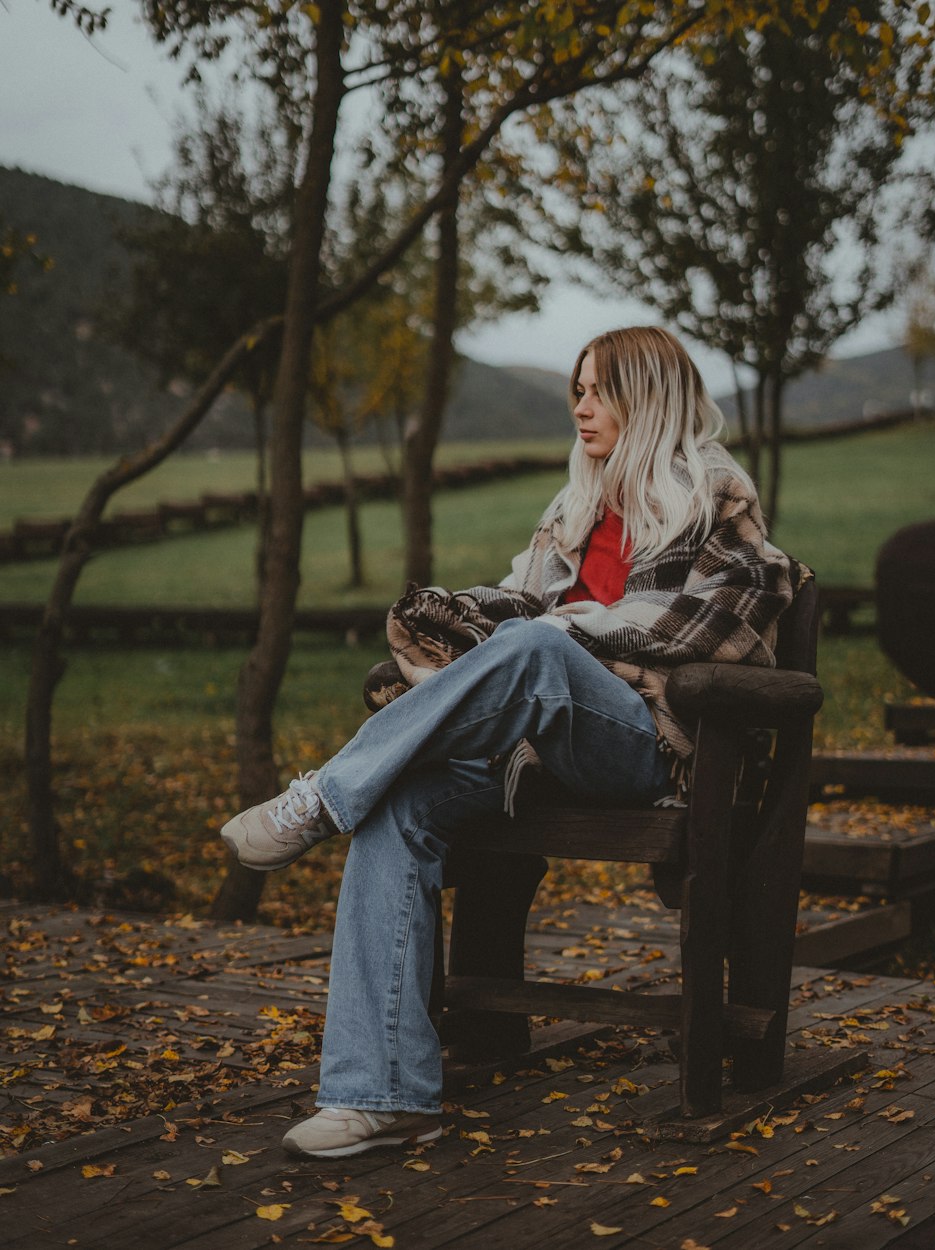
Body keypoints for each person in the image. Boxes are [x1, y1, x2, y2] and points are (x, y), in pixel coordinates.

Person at [221, 325, 801, 1161]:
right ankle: (381, 1096)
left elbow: (747, 602)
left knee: (538, 650)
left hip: (643, 749)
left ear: (651, 396)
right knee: (399, 806)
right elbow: (514, 605)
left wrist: (579, 629)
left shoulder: (713, 495)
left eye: (600, 388)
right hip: (533, 756)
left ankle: (320, 797)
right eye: (577, 387)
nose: (581, 404)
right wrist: (461, 616)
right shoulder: (571, 509)